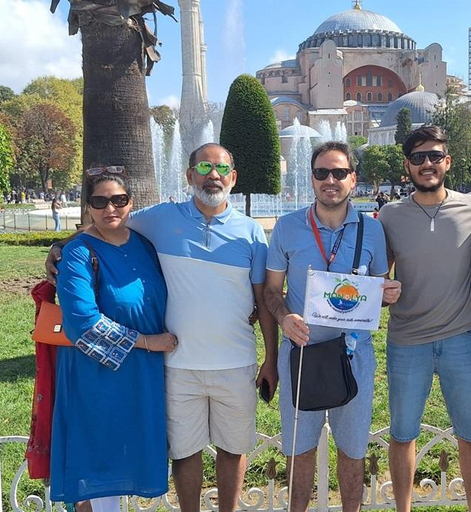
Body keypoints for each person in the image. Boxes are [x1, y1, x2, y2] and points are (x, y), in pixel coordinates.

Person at [46, 144, 278, 512]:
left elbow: (264, 297)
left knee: (233, 449)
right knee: (185, 452)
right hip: (176, 364)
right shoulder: (157, 219)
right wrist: (62, 245)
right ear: (189, 176)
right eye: (204, 166)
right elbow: (102, 230)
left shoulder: (251, 233)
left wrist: (272, 358)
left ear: (233, 178)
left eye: (221, 168)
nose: (212, 174)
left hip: (235, 361)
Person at [263, 141, 401, 512]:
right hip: (302, 354)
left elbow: (376, 289)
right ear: (312, 178)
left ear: (353, 179)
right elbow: (272, 291)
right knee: (299, 451)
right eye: (322, 172)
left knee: (353, 449)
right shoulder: (288, 227)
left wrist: (388, 294)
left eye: (339, 173)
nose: (330, 180)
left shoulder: (371, 231)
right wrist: (283, 317)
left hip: (352, 355)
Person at [378, 126, 471, 512]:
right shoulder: (390, 215)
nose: (427, 164)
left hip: (463, 337)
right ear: (407, 165)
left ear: (448, 161)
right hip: (407, 340)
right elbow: (379, 275)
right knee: (403, 433)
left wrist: (457, 292)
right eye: (418, 157)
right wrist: (381, 291)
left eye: (434, 156)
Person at [52, 168, 176, 512]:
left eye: (119, 200)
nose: (111, 208)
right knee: (97, 462)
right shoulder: (77, 254)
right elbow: (81, 322)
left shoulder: (145, 245)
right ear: (88, 206)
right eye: (100, 201)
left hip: (142, 375)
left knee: (126, 455)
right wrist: (148, 342)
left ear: (130, 203)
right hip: (96, 375)